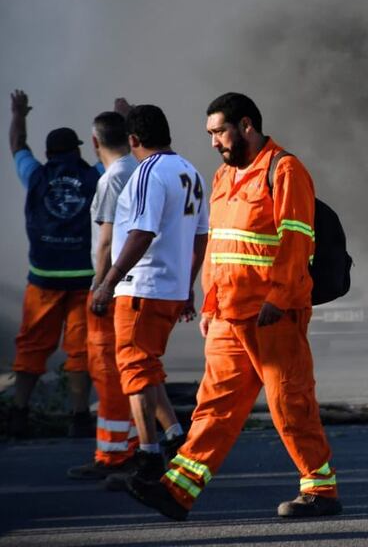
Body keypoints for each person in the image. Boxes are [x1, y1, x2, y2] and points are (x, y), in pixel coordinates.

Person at [126, 92, 341, 521]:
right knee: (214, 407)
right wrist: (209, 304)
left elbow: (296, 241)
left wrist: (279, 298)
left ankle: (321, 491)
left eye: (219, 131)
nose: (213, 142)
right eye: (210, 134)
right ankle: (177, 491)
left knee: (289, 404)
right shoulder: (224, 176)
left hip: (271, 315)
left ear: (246, 125)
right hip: (227, 314)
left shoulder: (285, 170)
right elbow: (218, 246)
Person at [89, 104, 208, 484]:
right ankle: (175, 437)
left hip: (142, 286)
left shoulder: (147, 173)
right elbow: (201, 237)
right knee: (148, 365)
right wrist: (187, 285)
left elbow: (141, 233)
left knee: (136, 370)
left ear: (133, 139)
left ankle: (148, 456)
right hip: (170, 288)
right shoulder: (190, 172)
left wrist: (108, 281)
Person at [7, 89, 100, 438]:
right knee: (80, 350)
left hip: (43, 278)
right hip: (84, 279)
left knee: (31, 345)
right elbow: (116, 153)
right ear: (77, 150)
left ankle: (18, 414)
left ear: (48, 154)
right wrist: (122, 118)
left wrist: (19, 115)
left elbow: (17, 145)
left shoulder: (34, 175)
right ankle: (79, 417)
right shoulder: (96, 176)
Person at [67, 100, 142, 480]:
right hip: (133, 285)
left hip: (111, 288)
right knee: (129, 369)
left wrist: (100, 285)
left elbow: (107, 241)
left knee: (107, 370)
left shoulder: (112, 178)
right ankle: (135, 446)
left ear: (95, 142)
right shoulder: (139, 168)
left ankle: (114, 455)